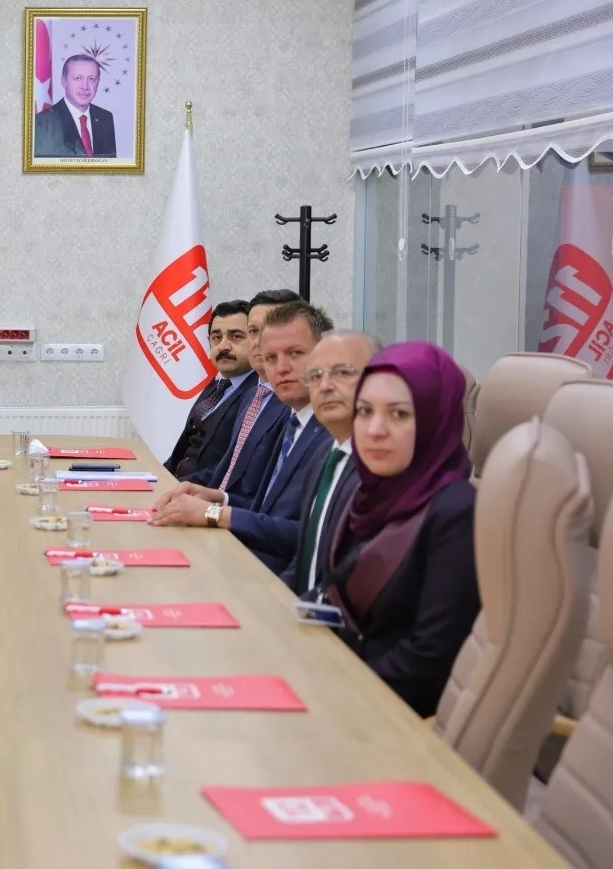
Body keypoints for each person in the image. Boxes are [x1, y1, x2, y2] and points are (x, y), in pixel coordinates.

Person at [323, 341, 478, 717]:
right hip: (342, 680)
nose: (375, 430)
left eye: (399, 414)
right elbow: (334, 594)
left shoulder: (458, 513)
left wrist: (330, 695)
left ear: (435, 420)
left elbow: (428, 662)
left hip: (390, 717)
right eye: (364, 411)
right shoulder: (371, 491)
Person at [151, 300, 334, 575]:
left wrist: (214, 513)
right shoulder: (294, 423)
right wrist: (217, 498)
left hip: (272, 574)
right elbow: (265, 509)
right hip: (249, 555)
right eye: (271, 358)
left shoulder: (332, 433)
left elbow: (311, 537)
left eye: (295, 353)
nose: (281, 368)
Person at [160, 288, 300, 507]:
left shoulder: (292, 403)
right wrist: (165, 483)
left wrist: (211, 511)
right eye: (253, 332)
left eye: (236, 336)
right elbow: (226, 472)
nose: (259, 342)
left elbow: (268, 501)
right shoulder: (249, 396)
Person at [281, 330, 382, 596]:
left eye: (343, 373)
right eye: (315, 376)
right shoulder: (323, 454)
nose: (325, 386)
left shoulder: (381, 468)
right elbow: (304, 561)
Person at [162, 299, 256, 479]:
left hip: (202, 490)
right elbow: (182, 451)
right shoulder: (216, 386)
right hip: (175, 483)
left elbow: (232, 469)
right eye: (216, 338)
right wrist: (157, 478)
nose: (224, 346)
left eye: (236, 336)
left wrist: (179, 486)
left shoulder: (259, 395)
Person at [33, 55, 116, 158]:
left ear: (98, 82)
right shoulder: (42, 123)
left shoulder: (105, 118)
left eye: (91, 79)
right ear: (64, 82)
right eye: (77, 78)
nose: (85, 87)